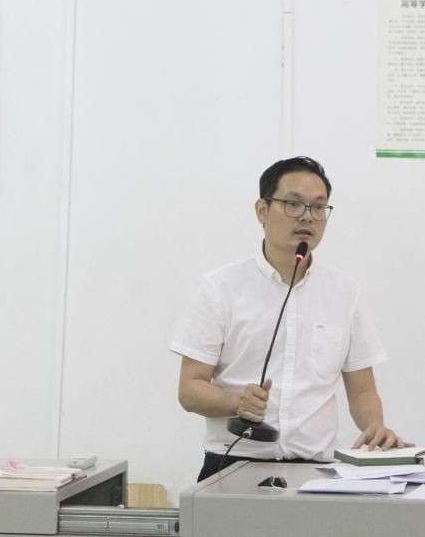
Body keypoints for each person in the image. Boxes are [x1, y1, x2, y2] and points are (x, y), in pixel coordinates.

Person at [170, 156, 407, 481]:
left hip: (316, 472)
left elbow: (363, 391)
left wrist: (374, 426)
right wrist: (236, 402)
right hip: (232, 465)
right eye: (293, 204)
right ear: (262, 211)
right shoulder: (219, 288)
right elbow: (190, 389)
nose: (307, 217)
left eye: (318, 207)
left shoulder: (345, 293)